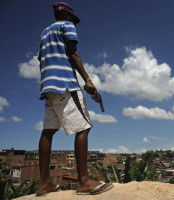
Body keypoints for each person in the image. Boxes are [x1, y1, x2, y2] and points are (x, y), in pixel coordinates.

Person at [36, 2, 113, 196]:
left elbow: (42, 60)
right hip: (65, 84)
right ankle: (84, 182)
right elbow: (73, 54)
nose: (75, 25)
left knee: (48, 131)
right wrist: (87, 80)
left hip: (48, 87)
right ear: (67, 16)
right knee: (84, 127)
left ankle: (44, 184)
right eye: (74, 20)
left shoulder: (44, 34)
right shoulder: (66, 25)